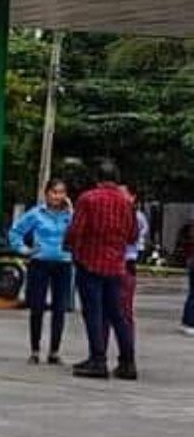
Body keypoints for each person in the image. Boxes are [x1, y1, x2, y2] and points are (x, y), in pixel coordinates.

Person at [65, 162, 140, 380]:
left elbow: (76, 231)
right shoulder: (126, 203)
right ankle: (128, 362)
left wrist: (72, 247)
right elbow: (133, 235)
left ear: (97, 178)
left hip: (90, 262)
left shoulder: (88, 199)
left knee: (94, 314)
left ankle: (98, 360)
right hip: (117, 266)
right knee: (119, 315)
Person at [8, 179, 72, 364]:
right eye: (54, 192)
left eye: (61, 192)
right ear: (47, 194)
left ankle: (54, 351)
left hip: (63, 262)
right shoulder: (36, 214)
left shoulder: (69, 215)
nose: (57, 196)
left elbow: (80, 230)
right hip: (40, 262)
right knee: (37, 307)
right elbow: (15, 232)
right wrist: (24, 249)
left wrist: (72, 210)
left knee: (60, 308)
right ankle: (35, 350)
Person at [122, 201, 149, 334]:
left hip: (130, 256)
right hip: (120, 257)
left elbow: (142, 230)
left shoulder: (137, 216)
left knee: (126, 304)